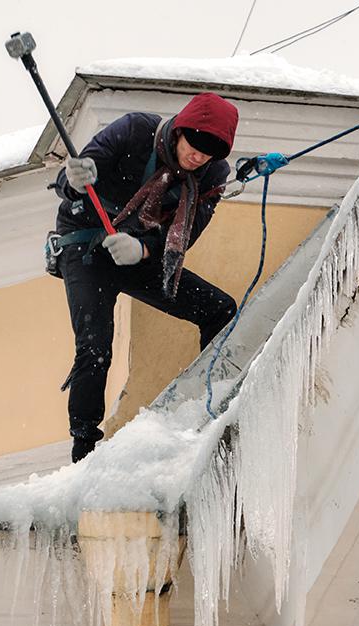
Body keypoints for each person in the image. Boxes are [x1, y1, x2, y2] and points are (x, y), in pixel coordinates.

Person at [51, 93, 240, 463]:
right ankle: (83, 449)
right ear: (180, 131)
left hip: (141, 255)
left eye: (210, 152)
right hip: (87, 245)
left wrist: (143, 251)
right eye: (196, 144)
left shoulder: (213, 176)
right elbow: (71, 180)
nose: (198, 156)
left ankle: (214, 401)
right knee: (95, 347)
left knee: (220, 309)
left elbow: (188, 232)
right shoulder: (135, 130)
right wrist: (75, 179)